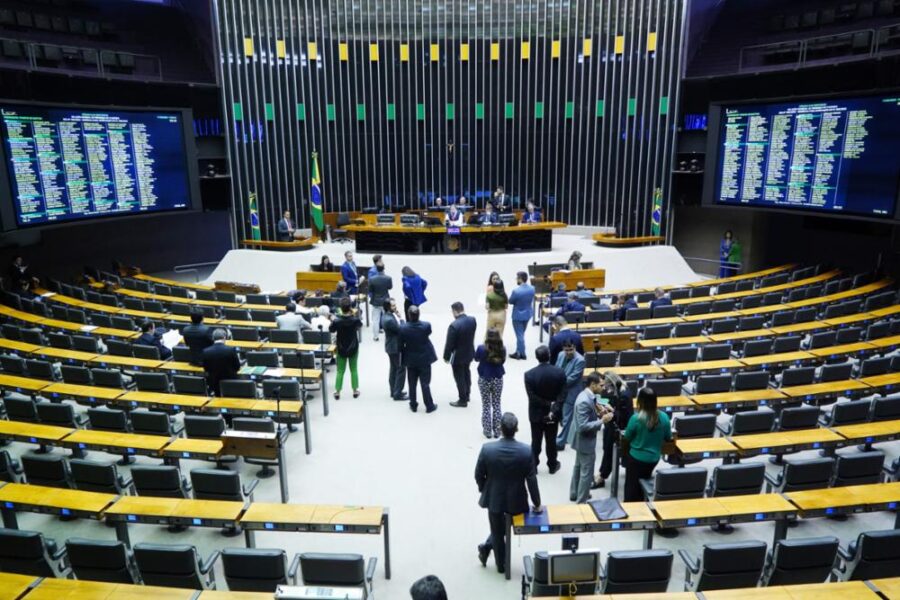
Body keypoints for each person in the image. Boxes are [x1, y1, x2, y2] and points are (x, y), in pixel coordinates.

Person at [474, 412, 542, 575]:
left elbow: (478, 474)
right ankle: (490, 551)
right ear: (517, 429)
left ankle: (501, 564)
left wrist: (484, 488)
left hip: (494, 497)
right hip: (517, 499)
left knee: (497, 530)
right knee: (504, 526)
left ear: (500, 428)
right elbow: (531, 480)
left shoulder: (487, 449)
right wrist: (537, 503)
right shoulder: (525, 451)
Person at [623, 387, 673, 502]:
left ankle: (630, 507)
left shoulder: (636, 418)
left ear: (640, 401)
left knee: (631, 486)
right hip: (653, 459)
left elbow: (627, 438)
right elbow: (668, 437)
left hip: (636, 459)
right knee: (644, 481)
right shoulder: (664, 417)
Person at [569, 372, 613, 503]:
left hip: (580, 439)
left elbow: (596, 400)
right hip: (584, 440)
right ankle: (581, 501)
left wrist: (605, 404)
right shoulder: (584, 401)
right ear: (593, 385)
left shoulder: (588, 394)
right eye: (601, 385)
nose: (603, 387)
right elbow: (582, 426)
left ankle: (574, 493)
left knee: (578, 466)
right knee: (586, 472)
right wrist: (602, 420)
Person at [524, 345, 566, 473]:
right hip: (553, 413)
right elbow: (563, 394)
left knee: (535, 441)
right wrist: (554, 406)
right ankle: (552, 465)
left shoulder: (529, 375)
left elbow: (532, 397)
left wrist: (547, 404)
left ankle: (533, 465)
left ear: (537, 357)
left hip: (536, 413)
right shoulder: (559, 372)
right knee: (551, 440)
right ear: (549, 356)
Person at [595, 371, 634, 488]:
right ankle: (603, 474)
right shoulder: (618, 390)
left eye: (605, 385)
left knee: (608, 450)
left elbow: (622, 416)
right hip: (612, 424)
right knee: (607, 449)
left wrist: (610, 410)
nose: (605, 388)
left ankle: (602, 476)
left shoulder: (624, 395)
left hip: (619, 427)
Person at [400, 305, 438, 413]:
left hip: (411, 359)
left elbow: (401, 344)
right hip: (424, 358)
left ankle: (413, 404)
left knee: (412, 383)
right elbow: (428, 333)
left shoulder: (403, 328)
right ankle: (429, 405)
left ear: (409, 315)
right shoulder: (426, 326)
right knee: (425, 383)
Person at [475, 328, 506, 438]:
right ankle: (497, 430)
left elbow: (476, 359)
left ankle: (487, 430)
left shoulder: (481, 348)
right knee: (497, 404)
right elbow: (503, 360)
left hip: (484, 377)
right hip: (497, 378)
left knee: (486, 404)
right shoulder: (502, 349)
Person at [444, 302, 477, 408]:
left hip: (458, 356)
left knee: (459, 377)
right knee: (467, 372)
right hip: (469, 352)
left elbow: (449, 344)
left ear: (454, 311)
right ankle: (467, 394)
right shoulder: (472, 320)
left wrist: (446, 357)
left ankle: (462, 399)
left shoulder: (454, 326)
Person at [329, 296, 362, 400]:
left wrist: (332, 319)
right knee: (354, 369)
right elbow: (359, 326)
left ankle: (337, 391)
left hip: (341, 347)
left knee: (340, 370)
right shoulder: (355, 320)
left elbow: (331, 330)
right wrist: (353, 314)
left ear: (341, 308)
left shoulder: (337, 321)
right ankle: (355, 390)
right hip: (353, 346)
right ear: (350, 307)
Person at [554, 340, 585, 451]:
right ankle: (565, 436)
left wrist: (557, 382)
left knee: (567, 418)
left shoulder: (580, 360)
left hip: (571, 391)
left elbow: (573, 377)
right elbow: (557, 368)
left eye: (571, 349)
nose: (568, 352)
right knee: (560, 415)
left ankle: (561, 442)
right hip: (560, 390)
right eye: (566, 350)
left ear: (575, 348)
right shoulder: (560, 355)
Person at [382, 298, 407, 401]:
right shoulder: (390, 320)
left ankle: (394, 390)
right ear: (388, 307)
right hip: (395, 347)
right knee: (401, 369)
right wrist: (401, 319)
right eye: (393, 306)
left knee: (393, 369)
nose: (395, 307)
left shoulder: (387, 316)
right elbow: (402, 329)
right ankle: (398, 393)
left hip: (391, 346)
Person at [203, 328, 241, 396]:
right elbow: (237, 367)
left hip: (214, 383)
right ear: (224, 337)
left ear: (213, 338)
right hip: (231, 381)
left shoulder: (206, 351)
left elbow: (206, 369)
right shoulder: (231, 350)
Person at [508, 271, 535, 360]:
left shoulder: (516, 291)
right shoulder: (532, 288)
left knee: (519, 335)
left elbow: (511, 301)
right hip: (527, 314)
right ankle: (518, 351)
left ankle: (522, 353)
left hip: (518, 316)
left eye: (517, 278)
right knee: (522, 333)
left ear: (520, 279)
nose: (516, 280)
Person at [368, 262, 393, 342]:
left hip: (375, 301)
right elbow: (390, 287)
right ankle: (388, 335)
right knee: (387, 318)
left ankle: (375, 336)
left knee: (375, 320)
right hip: (385, 301)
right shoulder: (388, 278)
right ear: (384, 268)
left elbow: (370, 290)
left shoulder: (372, 279)